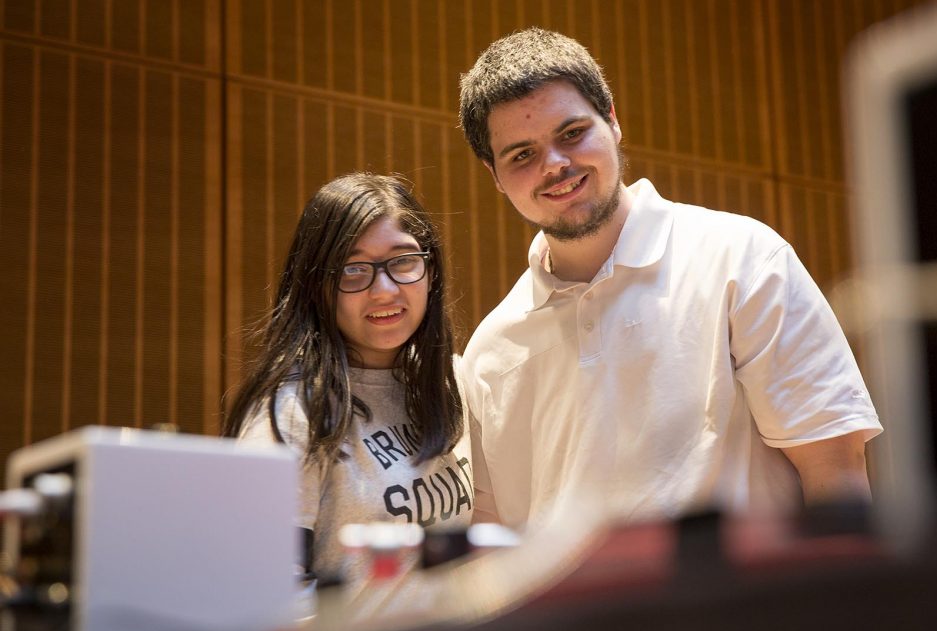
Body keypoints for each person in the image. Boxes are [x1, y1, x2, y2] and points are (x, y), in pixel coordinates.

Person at [457, 28, 882, 529]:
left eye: (571, 133)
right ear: (494, 175)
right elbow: (498, 547)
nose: (555, 165)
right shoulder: (490, 351)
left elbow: (835, 474)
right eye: (522, 155)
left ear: (612, 120)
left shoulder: (741, 257)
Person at [223, 172, 474, 584]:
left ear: (430, 270)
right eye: (353, 270)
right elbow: (261, 588)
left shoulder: (453, 382)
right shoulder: (289, 411)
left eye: (404, 261)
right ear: (317, 286)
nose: (384, 290)